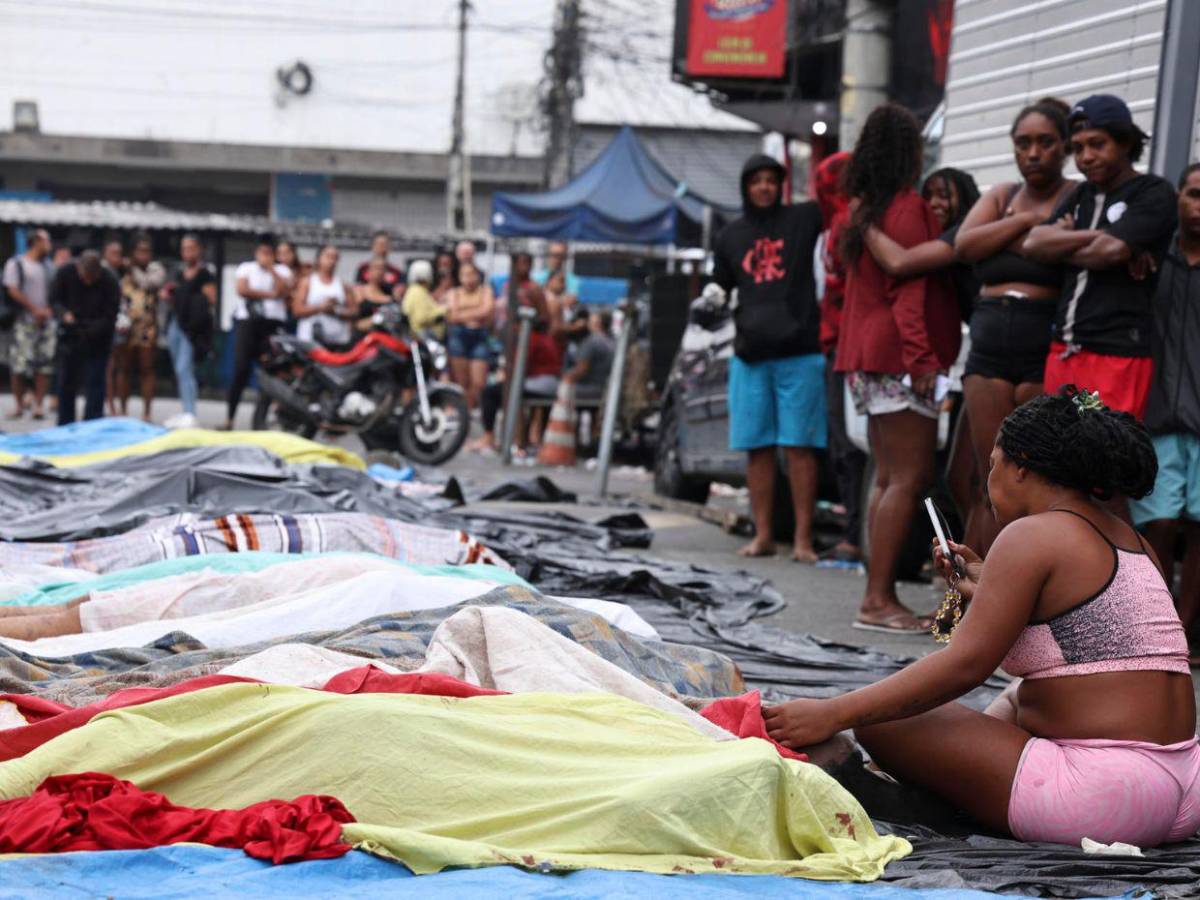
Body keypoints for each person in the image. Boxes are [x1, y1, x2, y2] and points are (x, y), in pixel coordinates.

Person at [764, 388, 1200, 850]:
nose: (987, 481)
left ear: (1022, 466)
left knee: (884, 722)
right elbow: (1087, 643)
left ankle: (957, 799)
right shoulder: (1132, 540)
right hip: (1184, 784)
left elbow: (964, 666)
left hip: (1104, 798)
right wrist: (986, 586)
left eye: (992, 465)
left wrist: (831, 713)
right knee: (1019, 693)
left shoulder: (1031, 535)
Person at [835, 103, 962, 632]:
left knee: (888, 477)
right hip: (900, 355)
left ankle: (876, 596)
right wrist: (923, 358)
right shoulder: (906, 209)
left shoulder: (863, 210)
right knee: (908, 477)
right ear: (910, 152)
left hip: (867, 354)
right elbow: (910, 296)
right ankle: (878, 600)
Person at [953, 98, 1077, 554]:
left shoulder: (1076, 196)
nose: (1033, 153)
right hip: (988, 342)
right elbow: (966, 245)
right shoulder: (1004, 195)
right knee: (994, 484)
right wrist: (1029, 222)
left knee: (1040, 484)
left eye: (1045, 142)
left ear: (1064, 145)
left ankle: (1030, 603)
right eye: (1023, 143)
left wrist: (1002, 240)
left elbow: (1058, 252)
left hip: (1041, 341)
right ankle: (971, 604)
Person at [1024, 94, 1178, 420]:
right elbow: (1034, 244)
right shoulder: (1080, 195)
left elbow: (1109, 253)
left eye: (1097, 144)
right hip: (1064, 351)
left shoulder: (1153, 192)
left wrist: (1062, 243)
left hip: (1115, 354)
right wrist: (1100, 233)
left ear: (1124, 141)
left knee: (1103, 455)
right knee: (1057, 455)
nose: (1086, 157)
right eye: (1078, 148)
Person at [711, 153, 826, 563]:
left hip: (800, 352)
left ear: (781, 184)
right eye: (755, 180)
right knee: (756, 449)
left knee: (799, 447)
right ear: (745, 187)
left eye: (770, 180)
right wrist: (707, 302)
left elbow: (837, 187)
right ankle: (763, 536)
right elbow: (719, 286)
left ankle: (803, 540)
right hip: (750, 355)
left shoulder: (804, 219)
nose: (763, 186)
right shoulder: (730, 235)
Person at [1133, 163, 1200, 659]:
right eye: (1195, 194)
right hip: (1155, 413)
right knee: (1156, 522)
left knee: (1199, 529)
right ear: (1178, 196)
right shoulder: (1150, 258)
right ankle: (1149, 624)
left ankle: (1182, 631)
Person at [814, 151, 867, 564]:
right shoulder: (831, 229)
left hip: (854, 347)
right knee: (848, 446)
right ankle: (855, 532)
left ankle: (858, 536)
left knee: (857, 448)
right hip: (838, 346)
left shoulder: (849, 226)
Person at [225, 237, 291, 430]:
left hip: (272, 325)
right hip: (248, 323)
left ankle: (260, 420)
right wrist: (270, 294)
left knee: (271, 372)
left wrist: (271, 269)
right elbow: (242, 290)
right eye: (262, 253)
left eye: (269, 253)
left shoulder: (282, 271)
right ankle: (230, 418)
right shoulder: (246, 268)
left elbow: (283, 291)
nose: (264, 257)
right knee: (240, 369)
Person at [50, 250, 121, 425]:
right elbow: (54, 300)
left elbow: (111, 315)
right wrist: (64, 314)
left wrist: (91, 330)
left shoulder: (110, 280)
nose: (88, 281)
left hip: (98, 337)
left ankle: (92, 425)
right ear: (78, 268)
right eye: (85, 277)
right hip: (70, 335)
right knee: (66, 382)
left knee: (95, 383)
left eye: (92, 278)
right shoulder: (65, 273)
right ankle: (65, 425)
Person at [162, 234, 217, 430]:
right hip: (175, 323)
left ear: (199, 250)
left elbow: (211, 299)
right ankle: (185, 410)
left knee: (185, 368)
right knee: (178, 368)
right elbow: (169, 295)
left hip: (192, 327)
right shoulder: (178, 272)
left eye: (192, 248)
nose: (188, 252)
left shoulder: (205, 274)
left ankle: (191, 412)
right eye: (184, 248)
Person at [110, 235, 165, 421]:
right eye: (140, 251)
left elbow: (149, 283)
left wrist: (131, 267)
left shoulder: (154, 270)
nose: (144, 255)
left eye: (147, 251)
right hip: (124, 327)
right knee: (123, 369)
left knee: (147, 369)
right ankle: (122, 410)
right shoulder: (121, 272)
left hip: (147, 328)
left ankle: (147, 412)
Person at [3, 229, 56, 420]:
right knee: (19, 365)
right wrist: (33, 309)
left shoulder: (49, 267)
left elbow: (55, 291)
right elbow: (12, 289)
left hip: (46, 322)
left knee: (44, 365)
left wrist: (49, 310)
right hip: (23, 322)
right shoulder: (16, 263)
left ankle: (39, 404)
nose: (49, 245)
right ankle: (19, 404)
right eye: (46, 240)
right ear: (36, 242)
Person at [446, 260, 495, 413]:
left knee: (478, 382)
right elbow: (452, 316)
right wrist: (476, 312)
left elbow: (487, 310)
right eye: (465, 275)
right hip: (459, 336)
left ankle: (469, 408)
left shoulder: (486, 290)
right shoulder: (454, 293)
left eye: (471, 274)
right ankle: (464, 412)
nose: (468, 278)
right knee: (462, 381)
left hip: (480, 337)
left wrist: (463, 313)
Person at [291, 245, 357, 349]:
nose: (331, 261)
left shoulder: (343, 285)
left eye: (335, 257)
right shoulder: (307, 282)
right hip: (310, 341)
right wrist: (321, 307)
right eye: (328, 256)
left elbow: (354, 312)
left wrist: (335, 311)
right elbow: (297, 310)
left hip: (337, 341)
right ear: (319, 259)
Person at [562, 307, 615, 402]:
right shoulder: (612, 341)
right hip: (606, 388)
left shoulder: (591, 341)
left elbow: (582, 369)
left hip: (591, 388)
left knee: (559, 390)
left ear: (597, 323)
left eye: (589, 321)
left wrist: (566, 379)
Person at [401, 259, 445, 339]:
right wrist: (444, 311)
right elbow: (421, 318)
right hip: (424, 337)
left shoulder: (417, 290)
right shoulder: (418, 292)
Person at [355, 231, 405, 300]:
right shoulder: (363, 268)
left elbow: (399, 292)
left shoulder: (396, 271)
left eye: (384, 245)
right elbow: (358, 289)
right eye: (379, 244)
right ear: (373, 246)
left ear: (389, 247)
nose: (381, 248)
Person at [354, 257, 396, 332]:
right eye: (376, 268)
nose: (380, 272)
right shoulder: (359, 291)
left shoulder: (391, 295)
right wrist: (377, 319)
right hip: (364, 337)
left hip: (386, 337)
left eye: (383, 268)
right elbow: (353, 322)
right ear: (369, 271)